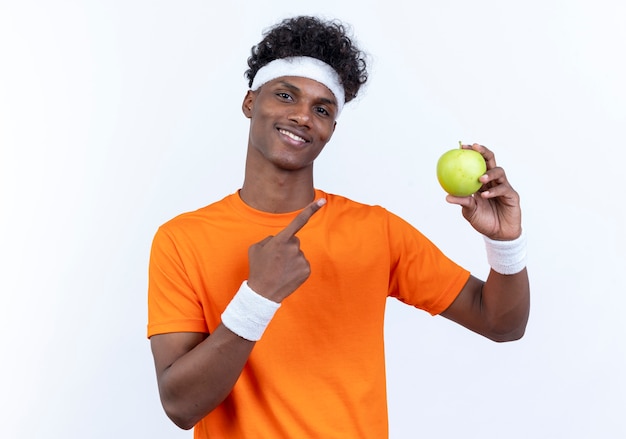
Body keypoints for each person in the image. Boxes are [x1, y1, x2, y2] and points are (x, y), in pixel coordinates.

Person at [147, 15, 530, 438]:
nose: (302, 116)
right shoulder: (181, 239)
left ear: (331, 127)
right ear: (250, 102)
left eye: (322, 108)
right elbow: (180, 406)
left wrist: (505, 245)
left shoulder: (376, 231)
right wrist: (257, 298)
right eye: (286, 95)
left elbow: (501, 324)